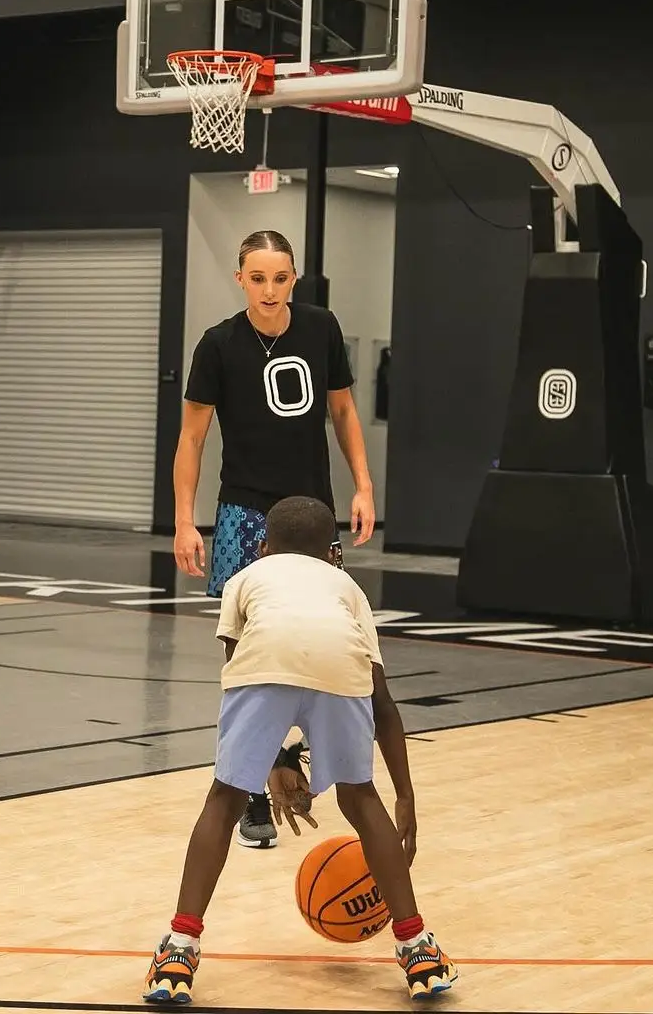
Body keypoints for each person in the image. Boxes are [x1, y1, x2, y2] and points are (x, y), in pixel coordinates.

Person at [143, 496, 458, 1004]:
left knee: (224, 800)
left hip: (264, 664)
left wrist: (274, 761)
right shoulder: (348, 588)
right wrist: (406, 795)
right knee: (360, 798)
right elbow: (383, 701)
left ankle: (179, 948)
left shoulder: (247, 578)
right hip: (342, 671)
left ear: (263, 548)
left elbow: (249, 664)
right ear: (334, 553)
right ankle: (416, 946)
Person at [173, 229, 377, 849]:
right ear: (240, 278)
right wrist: (186, 519)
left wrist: (364, 486)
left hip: (312, 513)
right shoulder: (217, 345)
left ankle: (302, 761)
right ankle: (250, 790)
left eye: (280, 278)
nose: (269, 289)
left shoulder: (321, 329)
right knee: (243, 654)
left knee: (323, 638)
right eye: (257, 278)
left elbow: (342, 412)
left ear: (294, 279)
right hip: (244, 511)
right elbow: (192, 439)